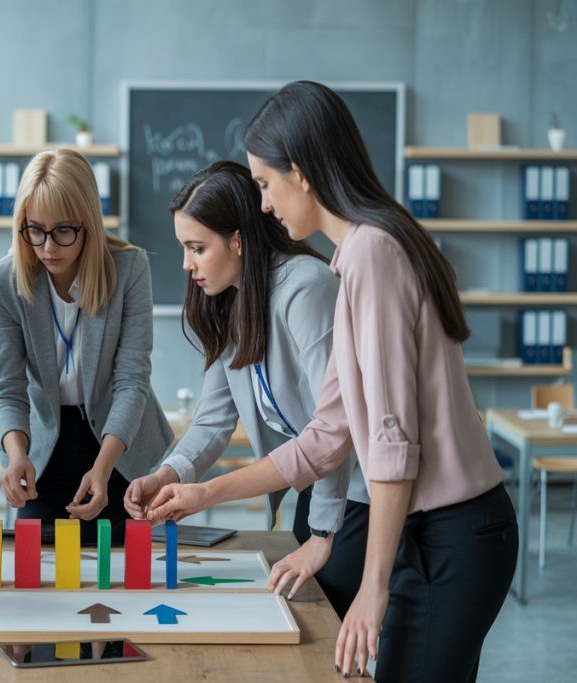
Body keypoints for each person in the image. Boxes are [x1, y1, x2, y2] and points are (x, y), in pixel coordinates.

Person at [146, 81, 517, 682]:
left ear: (303, 174)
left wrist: (371, 586)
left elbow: (392, 448)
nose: (263, 204)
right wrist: (203, 494)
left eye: (265, 185)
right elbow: (327, 435)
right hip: (435, 531)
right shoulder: (357, 259)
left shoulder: (372, 254)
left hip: (455, 531)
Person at [124, 160, 370, 618]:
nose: (186, 264)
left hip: (358, 498)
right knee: (309, 622)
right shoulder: (232, 301)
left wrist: (320, 531)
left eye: (197, 247)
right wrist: (168, 475)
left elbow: (336, 433)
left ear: (237, 239)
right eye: (183, 248)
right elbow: (213, 420)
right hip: (314, 491)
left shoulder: (305, 290)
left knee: (325, 629)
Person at [0, 148, 172, 544]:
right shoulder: (4, 280)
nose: (48, 246)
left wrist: (103, 467)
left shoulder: (130, 269)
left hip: (119, 447)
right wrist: (16, 454)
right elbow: (8, 387)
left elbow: (131, 381)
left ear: (88, 223)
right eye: (35, 229)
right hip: (42, 448)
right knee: (35, 572)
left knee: (125, 576)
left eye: (63, 230)